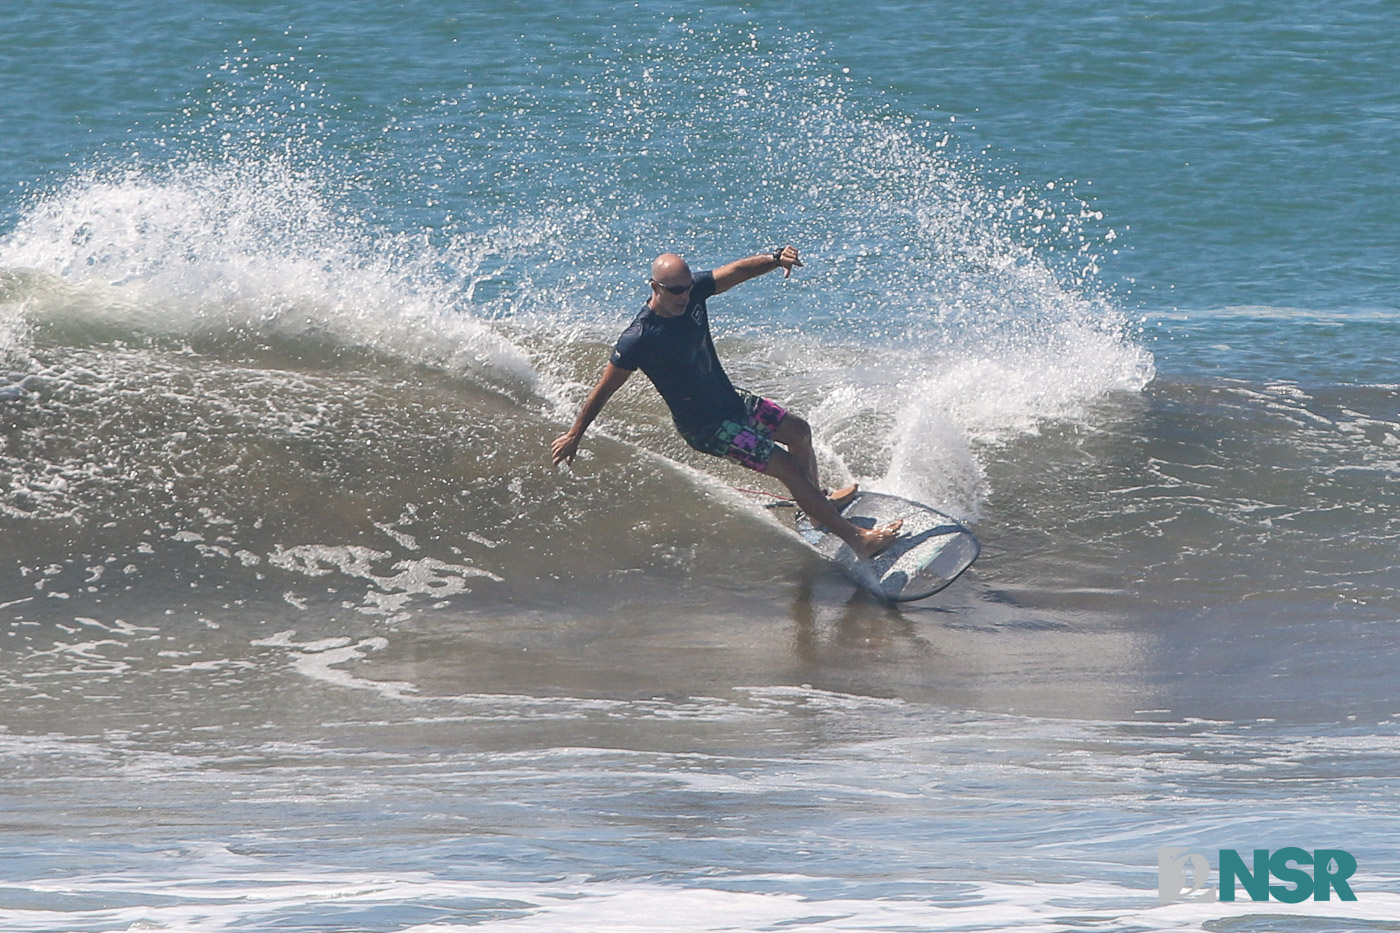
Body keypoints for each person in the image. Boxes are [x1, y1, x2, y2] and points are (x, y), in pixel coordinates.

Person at [550, 246, 901, 558]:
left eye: (687, 288)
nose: (684, 296)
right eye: (675, 291)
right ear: (655, 287)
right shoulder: (639, 338)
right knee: (789, 470)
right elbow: (603, 389)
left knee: (799, 432)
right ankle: (859, 541)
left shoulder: (693, 293)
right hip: (711, 428)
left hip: (733, 403)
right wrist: (575, 434)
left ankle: (816, 509)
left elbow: (737, 271)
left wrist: (775, 258)